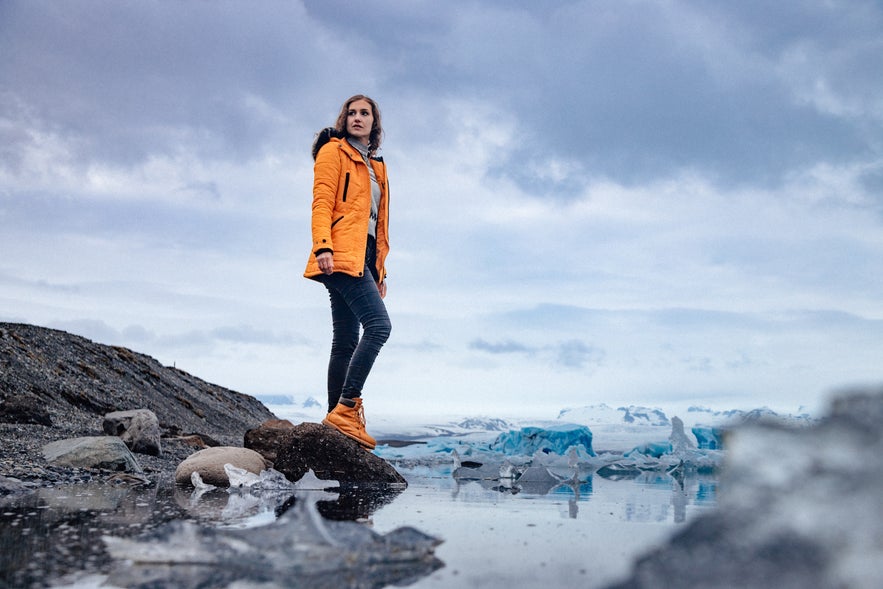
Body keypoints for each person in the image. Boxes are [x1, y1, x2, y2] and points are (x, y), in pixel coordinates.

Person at [303, 94, 391, 450]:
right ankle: (346, 407)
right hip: (338, 252)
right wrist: (323, 245)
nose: (357, 117)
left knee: (345, 339)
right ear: (344, 119)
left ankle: (334, 422)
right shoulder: (333, 152)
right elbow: (322, 201)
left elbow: (377, 223)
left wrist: (379, 270)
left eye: (364, 113)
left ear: (374, 122)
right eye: (352, 113)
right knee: (379, 326)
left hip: (363, 256)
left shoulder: (376, 166)